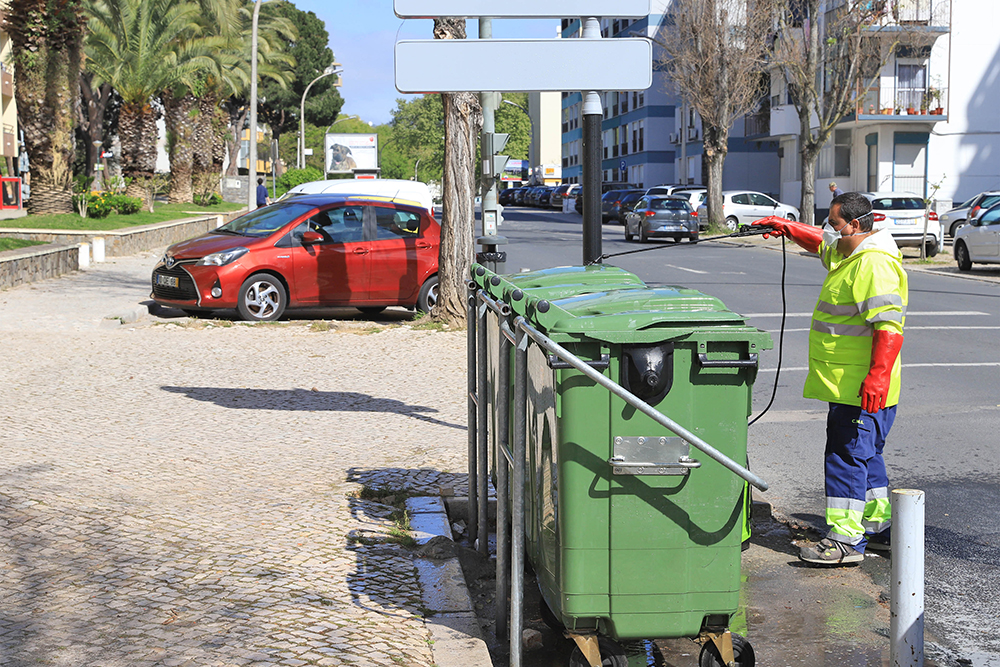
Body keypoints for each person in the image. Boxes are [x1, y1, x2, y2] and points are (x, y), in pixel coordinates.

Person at [752, 192, 906, 567]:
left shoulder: (873, 265)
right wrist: (787, 228)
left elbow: (889, 328)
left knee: (846, 457)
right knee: (866, 457)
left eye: (835, 224)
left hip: (861, 388)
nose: (829, 231)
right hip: (854, 386)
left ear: (855, 225)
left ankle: (845, 540)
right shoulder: (849, 252)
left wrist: (876, 378)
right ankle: (877, 527)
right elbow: (820, 243)